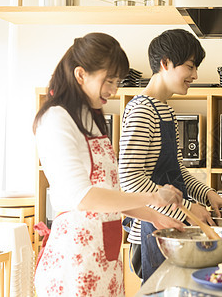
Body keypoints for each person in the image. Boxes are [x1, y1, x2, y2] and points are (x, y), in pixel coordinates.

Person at [33, 33, 185, 296]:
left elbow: (110, 192)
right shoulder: (57, 119)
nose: (113, 90)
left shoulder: (90, 118)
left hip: (104, 256)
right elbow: (84, 197)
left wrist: (155, 217)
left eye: (117, 81)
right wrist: (154, 197)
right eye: (109, 80)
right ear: (81, 74)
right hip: (75, 261)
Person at [118, 29, 222, 282]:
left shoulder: (167, 111)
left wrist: (208, 193)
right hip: (153, 231)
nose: (195, 75)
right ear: (165, 63)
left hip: (173, 227)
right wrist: (185, 210)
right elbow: (129, 179)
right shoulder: (141, 109)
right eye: (190, 67)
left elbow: (178, 171)